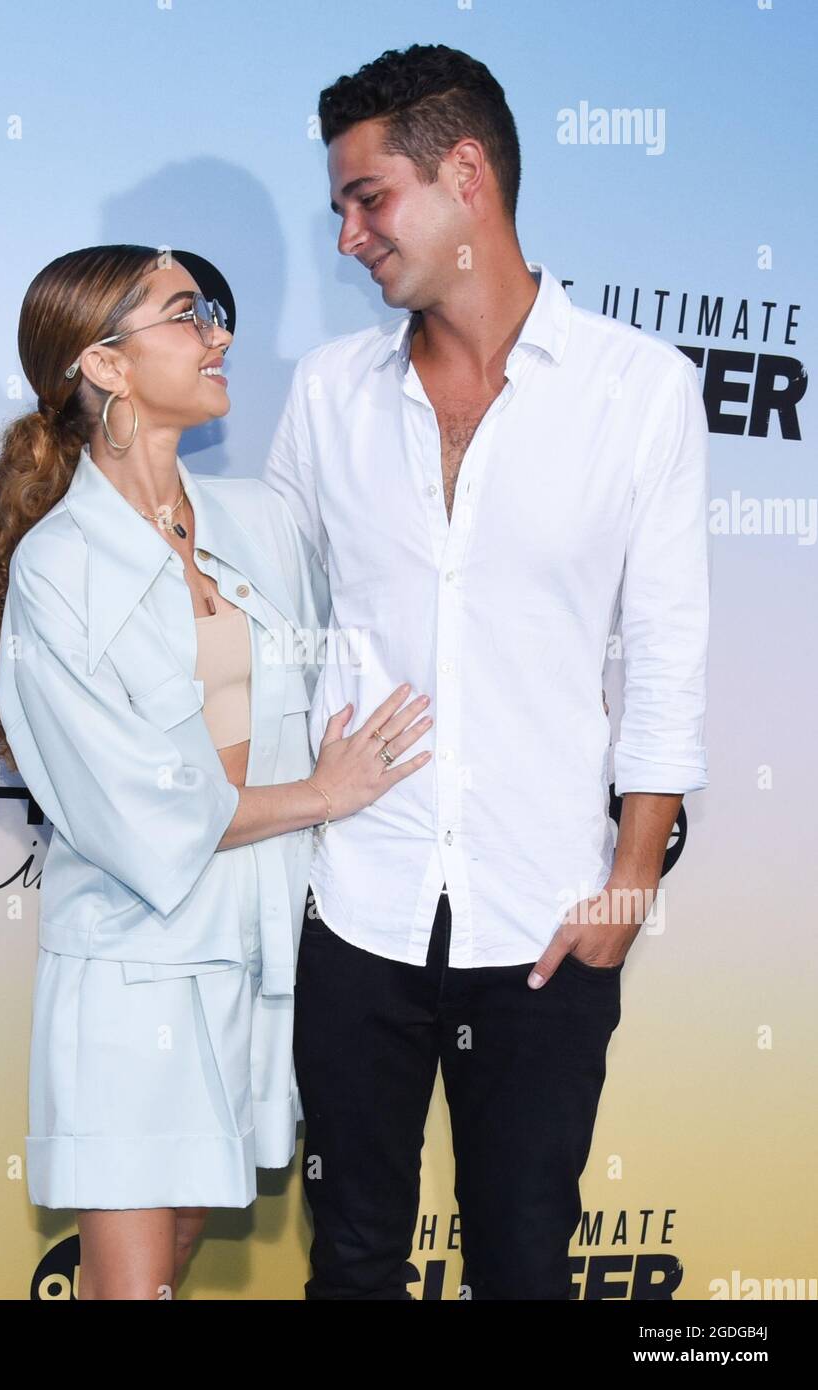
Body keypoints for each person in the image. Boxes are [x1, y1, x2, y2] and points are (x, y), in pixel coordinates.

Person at [262, 44, 711, 1300]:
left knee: (522, 1266)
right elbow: (261, 622)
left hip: (546, 920)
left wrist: (628, 883)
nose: (349, 234)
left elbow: (668, 656)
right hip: (358, 905)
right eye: (339, 207)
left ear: (466, 176)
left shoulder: (639, 392)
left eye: (368, 198)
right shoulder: (326, 395)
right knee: (351, 1262)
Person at [0, 243, 433, 1299]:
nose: (219, 335)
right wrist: (323, 792)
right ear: (106, 364)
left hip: (258, 965)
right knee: (129, 1291)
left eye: (214, 310)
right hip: (133, 973)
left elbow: (336, 676)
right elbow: (134, 812)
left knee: (166, 1268)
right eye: (185, 314)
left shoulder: (261, 519)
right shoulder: (55, 570)